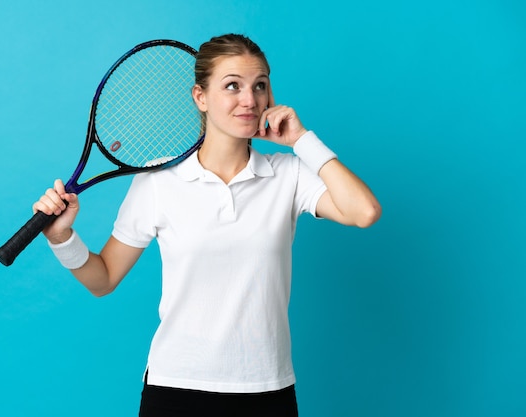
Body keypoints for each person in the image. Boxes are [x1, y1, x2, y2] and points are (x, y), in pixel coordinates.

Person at [33, 34, 381, 417]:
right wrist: (62, 237)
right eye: (232, 85)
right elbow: (104, 279)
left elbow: (363, 212)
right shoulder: (158, 179)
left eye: (260, 86)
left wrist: (301, 141)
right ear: (200, 97)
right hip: (176, 390)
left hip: (268, 390)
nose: (249, 100)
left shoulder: (288, 175)